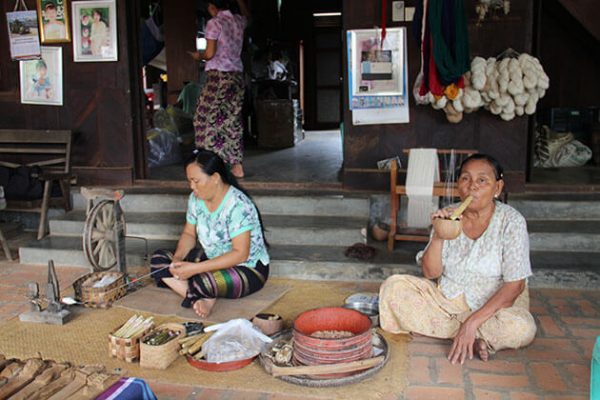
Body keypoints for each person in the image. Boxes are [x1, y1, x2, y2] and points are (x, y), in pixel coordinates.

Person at [379, 154, 536, 364]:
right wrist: (438, 235)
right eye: (465, 179)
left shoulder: (512, 222)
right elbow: (430, 273)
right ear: (457, 185)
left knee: (521, 328)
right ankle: (478, 338)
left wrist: (471, 322)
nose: (472, 187)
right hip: (447, 300)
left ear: (497, 188)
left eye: (482, 180)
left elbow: (515, 286)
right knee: (393, 288)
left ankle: (466, 331)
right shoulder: (449, 215)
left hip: (496, 306)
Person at [150, 149, 270, 318]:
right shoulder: (195, 199)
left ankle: (197, 291)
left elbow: (240, 254)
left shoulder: (238, 205)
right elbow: (189, 234)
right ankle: (200, 298)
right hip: (213, 259)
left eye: (196, 181)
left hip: (248, 269)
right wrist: (177, 259)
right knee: (159, 260)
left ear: (215, 178)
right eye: (190, 181)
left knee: (203, 280)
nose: (192, 187)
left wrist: (195, 269)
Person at [189, 0, 249, 179]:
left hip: (218, 77)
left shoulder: (214, 23)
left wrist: (197, 56)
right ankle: (236, 166)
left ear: (212, 6)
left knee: (202, 118)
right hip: (236, 76)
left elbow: (209, 54)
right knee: (231, 119)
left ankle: (207, 164)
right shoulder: (239, 21)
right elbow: (248, 16)